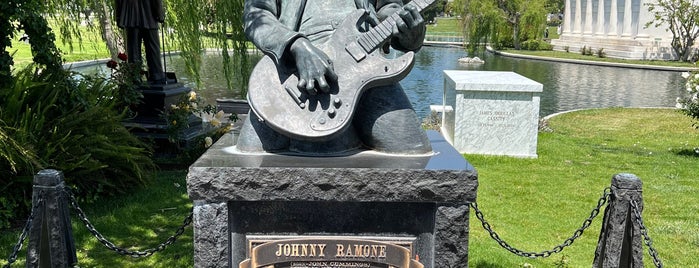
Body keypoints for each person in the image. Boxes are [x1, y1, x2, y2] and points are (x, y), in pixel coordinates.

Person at [239, 0, 432, 155]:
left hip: (365, 60)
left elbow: (389, 8)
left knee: (411, 147)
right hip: (293, 68)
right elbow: (255, 15)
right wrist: (296, 45)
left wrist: (407, 29)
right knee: (253, 149)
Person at [115, 0, 167, 84]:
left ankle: (135, 77)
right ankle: (156, 75)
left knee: (133, 50)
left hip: (131, 16)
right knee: (152, 48)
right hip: (149, 15)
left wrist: (119, 17)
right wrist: (160, 14)